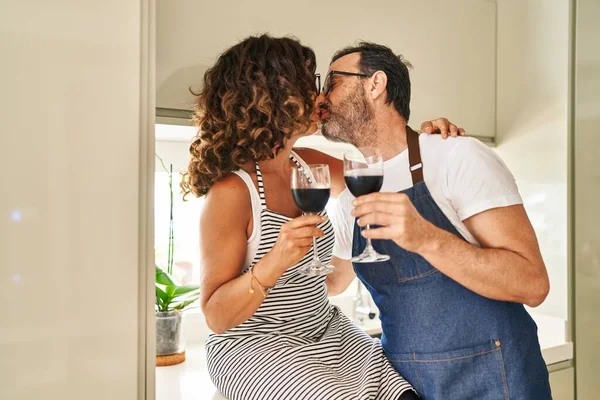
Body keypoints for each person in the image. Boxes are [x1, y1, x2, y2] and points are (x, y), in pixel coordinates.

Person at [180, 34, 462, 400]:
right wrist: (276, 259)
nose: (321, 97)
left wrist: (428, 142)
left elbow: (383, 173)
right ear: (274, 95)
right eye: (310, 83)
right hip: (258, 348)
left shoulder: (308, 162)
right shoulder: (233, 192)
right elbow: (216, 316)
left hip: (326, 331)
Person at [319, 42, 552, 399]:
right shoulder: (351, 196)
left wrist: (427, 238)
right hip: (406, 385)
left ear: (375, 83)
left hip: (495, 379)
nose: (321, 98)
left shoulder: (457, 156)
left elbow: (532, 283)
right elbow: (333, 283)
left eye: (331, 82)